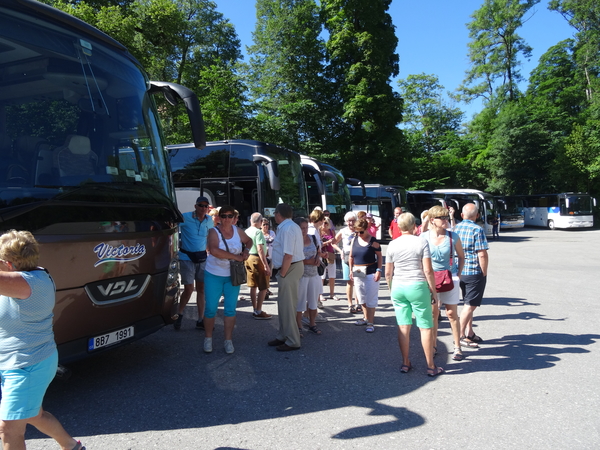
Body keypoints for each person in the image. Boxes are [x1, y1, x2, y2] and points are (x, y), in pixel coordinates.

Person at [0, 230, 85, 450]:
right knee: (34, 415)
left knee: (8, 429)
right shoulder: (28, 275)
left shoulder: (30, 283)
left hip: (27, 365)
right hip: (12, 362)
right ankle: (72, 446)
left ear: (8, 263)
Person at [385, 213, 444, 377]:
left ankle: (405, 362)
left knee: (403, 326)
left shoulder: (392, 244)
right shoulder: (421, 242)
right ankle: (431, 366)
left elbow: (388, 273)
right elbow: (427, 270)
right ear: (414, 226)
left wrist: (391, 290)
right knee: (425, 327)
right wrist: (433, 291)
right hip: (417, 285)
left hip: (398, 286)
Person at [204, 206, 253, 354]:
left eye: (229, 216)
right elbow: (214, 250)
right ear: (218, 217)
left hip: (233, 275)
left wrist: (246, 250)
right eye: (223, 216)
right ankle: (208, 338)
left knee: (230, 309)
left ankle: (228, 340)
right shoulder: (214, 232)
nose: (226, 219)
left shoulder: (237, 231)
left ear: (233, 217)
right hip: (214, 274)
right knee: (211, 308)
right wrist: (236, 257)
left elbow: (249, 241)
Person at [423, 205, 466, 361]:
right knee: (434, 314)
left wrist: (458, 274)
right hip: (431, 279)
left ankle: (457, 347)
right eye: (442, 218)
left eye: (447, 217)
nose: (446, 220)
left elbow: (462, 256)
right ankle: (434, 346)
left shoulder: (452, 236)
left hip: (450, 277)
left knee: (451, 314)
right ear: (432, 220)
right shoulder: (424, 237)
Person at [269, 203, 304, 351]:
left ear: (278, 214)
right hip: (291, 267)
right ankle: (283, 335)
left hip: (290, 268)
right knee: (284, 305)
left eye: (275, 213)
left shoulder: (287, 228)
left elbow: (288, 255)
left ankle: (292, 341)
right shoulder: (289, 226)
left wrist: (282, 273)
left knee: (288, 306)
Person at [174, 196, 213, 330]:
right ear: (195, 206)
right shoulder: (185, 217)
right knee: (189, 289)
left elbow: (211, 237)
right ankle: (179, 314)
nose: (203, 208)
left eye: (205, 206)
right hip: (186, 257)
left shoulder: (210, 220)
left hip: (202, 258)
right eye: (201, 205)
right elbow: (171, 226)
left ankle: (200, 319)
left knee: (201, 289)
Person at [454, 203, 489, 349]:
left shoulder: (455, 228)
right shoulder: (477, 229)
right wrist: (484, 271)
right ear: (477, 215)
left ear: (462, 215)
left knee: (465, 303)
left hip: (458, 270)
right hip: (473, 271)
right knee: (470, 305)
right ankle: (460, 336)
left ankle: (470, 332)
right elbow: (482, 253)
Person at [349, 218, 382, 333]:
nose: (359, 234)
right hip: (358, 270)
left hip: (371, 271)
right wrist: (350, 270)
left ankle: (371, 322)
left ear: (367, 229)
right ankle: (365, 317)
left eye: (361, 232)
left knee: (371, 298)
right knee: (361, 296)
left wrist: (379, 270)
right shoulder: (355, 239)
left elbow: (379, 256)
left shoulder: (373, 241)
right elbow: (351, 256)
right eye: (356, 232)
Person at [294, 217, 323, 336]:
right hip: (301, 276)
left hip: (314, 274)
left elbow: (318, 251)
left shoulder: (313, 238)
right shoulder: (295, 242)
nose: (304, 230)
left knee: (313, 301)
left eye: (306, 228)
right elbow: (292, 260)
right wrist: (307, 262)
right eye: (301, 228)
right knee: (300, 302)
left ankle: (312, 323)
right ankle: (298, 326)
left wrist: (317, 258)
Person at [245, 213, 272, 320]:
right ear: (260, 222)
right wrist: (266, 265)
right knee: (263, 286)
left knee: (253, 285)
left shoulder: (246, 231)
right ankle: (259, 310)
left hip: (248, 257)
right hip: (257, 258)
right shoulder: (258, 232)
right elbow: (260, 248)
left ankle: (255, 309)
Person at [334, 212, 360, 314]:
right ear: (346, 221)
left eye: (353, 220)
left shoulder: (359, 231)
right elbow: (333, 242)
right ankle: (350, 304)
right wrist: (340, 252)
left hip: (358, 259)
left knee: (358, 281)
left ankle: (358, 303)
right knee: (349, 282)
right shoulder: (343, 231)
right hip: (346, 258)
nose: (351, 223)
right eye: (349, 220)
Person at [320, 219, 340, 301]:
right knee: (322, 276)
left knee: (332, 276)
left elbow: (334, 243)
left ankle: (332, 294)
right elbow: (318, 245)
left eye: (326, 223)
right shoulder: (319, 232)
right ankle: (320, 294)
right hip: (322, 255)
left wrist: (338, 249)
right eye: (323, 222)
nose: (324, 224)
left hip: (330, 254)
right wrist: (327, 242)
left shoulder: (331, 232)